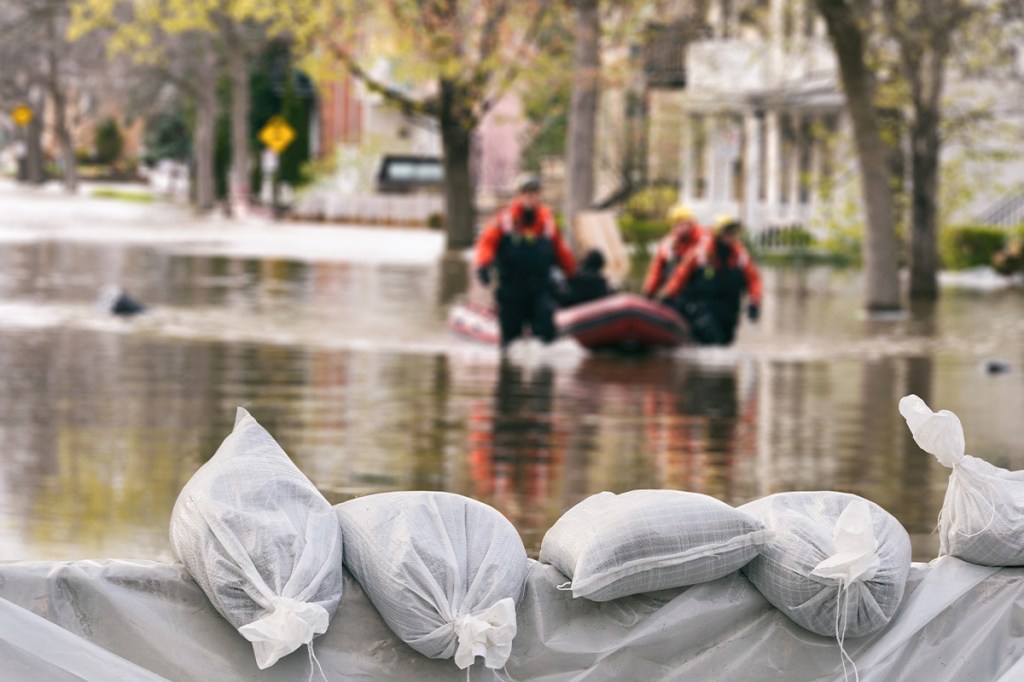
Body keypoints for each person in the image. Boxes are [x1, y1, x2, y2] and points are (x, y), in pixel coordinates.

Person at [475, 175, 577, 348]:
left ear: (539, 195)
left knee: (546, 333)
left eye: (534, 193)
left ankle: (544, 370)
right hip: (512, 289)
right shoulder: (504, 220)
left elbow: (561, 251)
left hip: (540, 288)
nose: (531, 197)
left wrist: (573, 275)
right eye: (527, 193)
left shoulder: (547, 221)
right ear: (519, 196)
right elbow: (487, 243)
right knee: (510, 340)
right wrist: (484, 265)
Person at [659, 215, 762, 345]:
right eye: (728, 232)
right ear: (718, 234)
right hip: (704, 306)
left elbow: (754, 279)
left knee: (725, 342)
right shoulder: (700, 253)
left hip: (730, 308)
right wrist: (669, 295)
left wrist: (755, 302)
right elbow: (680, 275)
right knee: (711, 338)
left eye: (733, 232)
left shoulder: (740, 256)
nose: (731, 236)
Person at [642, 203, 708, 299]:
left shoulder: (703, 239)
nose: (679, 228)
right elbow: (656, 267)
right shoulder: (669, 242)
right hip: (678, 291)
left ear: (691, 223)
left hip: (697, 291)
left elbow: (686, 266)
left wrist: (669, 293)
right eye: (676, 224)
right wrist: (648, 292)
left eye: (682, 224)